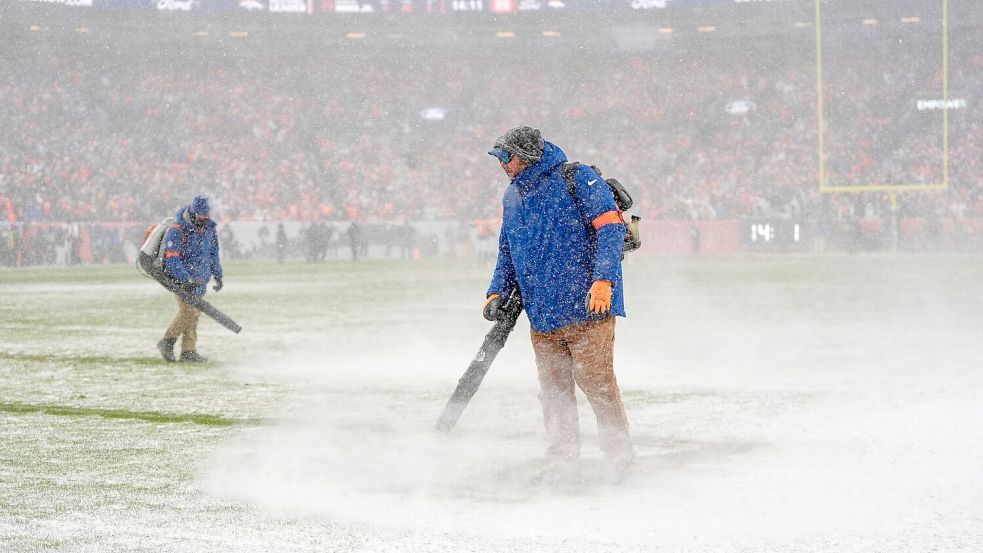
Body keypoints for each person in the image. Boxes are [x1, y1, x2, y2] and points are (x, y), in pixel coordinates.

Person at [483, 126, 634, 483]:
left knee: (597, 385)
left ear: (528, 155)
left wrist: (603, 281)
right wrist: (496, 290)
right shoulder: (513, 196)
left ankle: (620, 460)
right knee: (553, 393)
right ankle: (562, 462)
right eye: (500, 157)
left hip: (588, 309)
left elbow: (611, 229)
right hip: (543, 314)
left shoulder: (577, 178)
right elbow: (508, 248)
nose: (503, 164)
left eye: (508, 156)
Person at [156, 195, 224, 363]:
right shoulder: (177, 230)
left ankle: (188, 351)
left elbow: (213, 253)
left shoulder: (209, 229)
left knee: (194, 314)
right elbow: (172, 259)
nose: (203, 220)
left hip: (201, 280)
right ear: (193, 213)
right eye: (200, 217)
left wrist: (218, 274)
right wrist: (186, 279)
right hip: (182, 282)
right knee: (189, 311)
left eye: (205, 217)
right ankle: (167, 341)